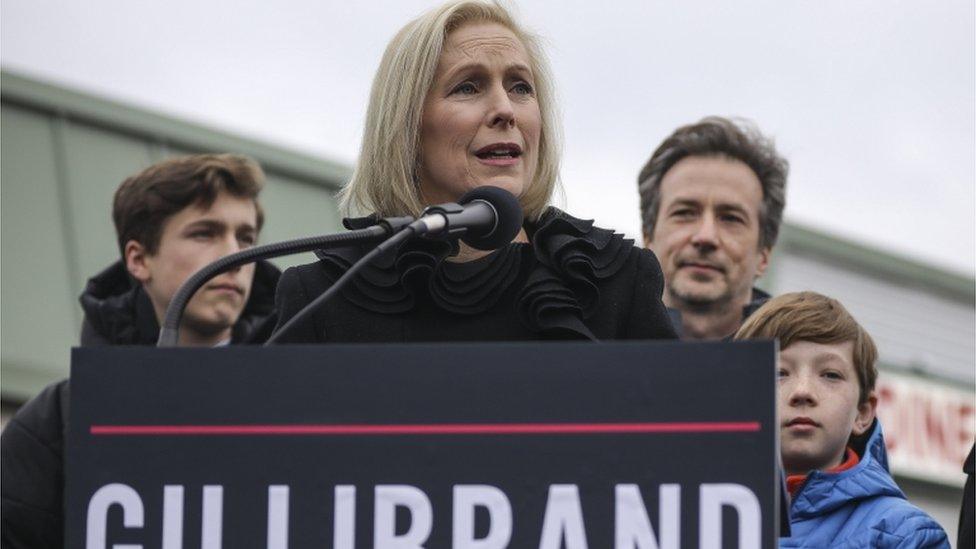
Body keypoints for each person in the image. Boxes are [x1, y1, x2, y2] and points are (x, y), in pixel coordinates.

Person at [272, 0, 676, 343]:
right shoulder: (321, 297)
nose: (505, 109)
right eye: (468, 86)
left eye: (520, 87)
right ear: (406, 124)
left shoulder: (616, 280)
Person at [1, 153, 280, 549]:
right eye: (205, 233)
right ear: (138, 258)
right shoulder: (56, 423)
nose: (234, 257)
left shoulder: (301, 405)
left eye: (246, 238)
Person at [735, 291, 950, 547]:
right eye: (779, 372)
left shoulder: (904, 536)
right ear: (740, 401)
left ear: (862, 413)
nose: (803, 391)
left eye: (830, 375)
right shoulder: (693, 512)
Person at [638, 116, 788, 340]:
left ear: (764, 254)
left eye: (730, 218)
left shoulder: (804, 368)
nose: (705, 237)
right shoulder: (587, 350)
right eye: (685, 213)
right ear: (648, 238)